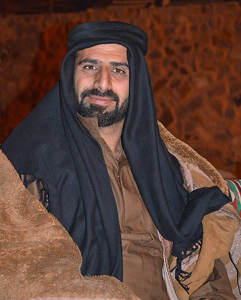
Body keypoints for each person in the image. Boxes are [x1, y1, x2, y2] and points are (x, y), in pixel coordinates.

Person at [1, 21, 241, 300]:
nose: (103, 82)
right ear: (70, 74)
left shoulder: (169, 167)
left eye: (118, 70)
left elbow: (203, 270)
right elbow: (25, 269)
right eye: (89, 67)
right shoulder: (28, 167)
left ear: (136, 82)